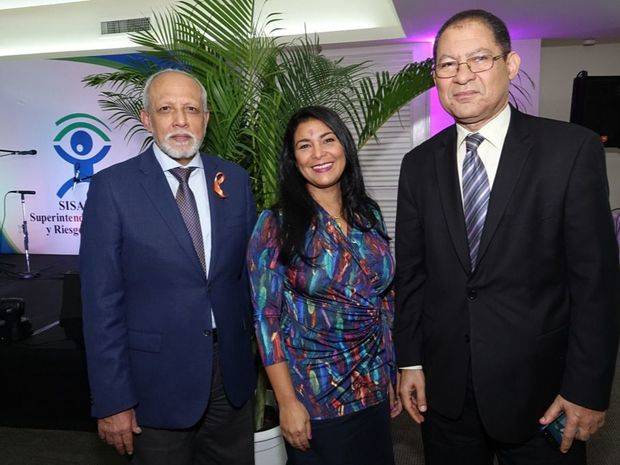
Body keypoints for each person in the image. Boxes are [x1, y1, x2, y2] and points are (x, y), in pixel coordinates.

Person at [395, 9, 619, 465]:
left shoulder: (570, 150)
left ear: (510, 65)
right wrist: (411, 361)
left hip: (543, 394)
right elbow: (413, 277)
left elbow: (596, 284)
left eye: (478, 59)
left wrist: (587, 389)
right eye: (447, 64)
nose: (462, 76)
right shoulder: (417, 165)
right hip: (447, 393)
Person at [80, 69, 256, 465]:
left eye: (191, 109)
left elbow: (246, 280)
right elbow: (100, 302)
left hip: (230, 381)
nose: (180, 120)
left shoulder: (236, 181)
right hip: (153, 386)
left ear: (206, 119)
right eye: (166, 109)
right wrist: (112, 399)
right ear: (147, 119)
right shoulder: (113, 188)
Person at [247, 106, 401, 465]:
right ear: (293, 159)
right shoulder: (275, 224)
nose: (319, 154)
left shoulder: (368, 213)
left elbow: (385, 300)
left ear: (344, 146)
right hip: (316, 396)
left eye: (328, 140)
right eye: (305, 145)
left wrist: (389, 372)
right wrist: (286, 402)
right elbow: (265, 319)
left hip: (374, 385)